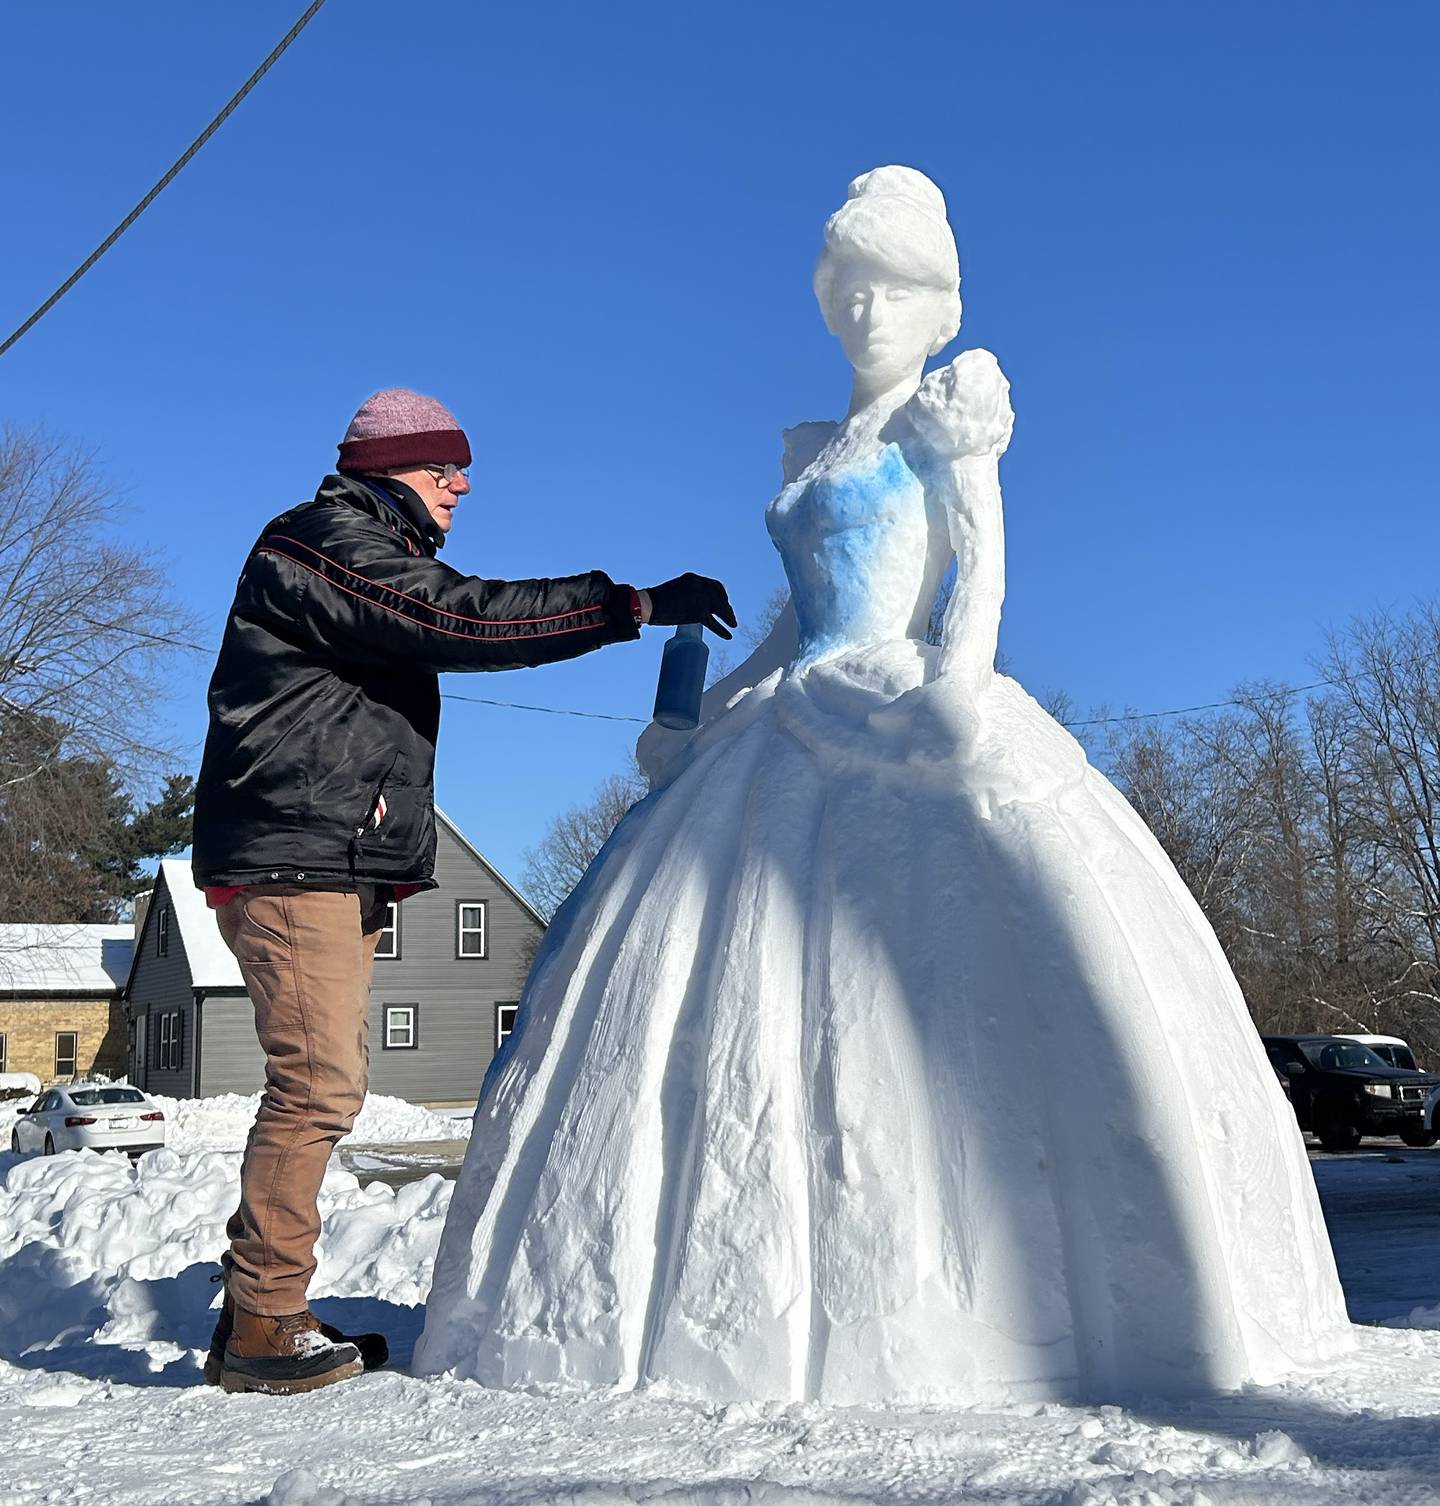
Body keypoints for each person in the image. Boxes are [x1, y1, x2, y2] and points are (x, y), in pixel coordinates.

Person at [415, 168, 1353, 1405]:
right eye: (851, 287)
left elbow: (981, 567)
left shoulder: (942, 420)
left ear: (937, 305)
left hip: (903, 702)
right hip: (792, 710)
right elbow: (795, 621)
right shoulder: (816, 449)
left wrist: (956, 693)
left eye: (895, 289)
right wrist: (696, 724)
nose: (869, 311)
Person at [191, 387, 734, 1395]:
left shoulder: (352, 549)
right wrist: (633, 605)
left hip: (322, 854)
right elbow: (453, 617)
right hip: (289, 855)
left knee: (323, 1080)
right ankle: (264, 1323)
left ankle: (265, 1310)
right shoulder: (319, 544)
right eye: (444, 469)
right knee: (316, 1085)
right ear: (386, 466)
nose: (462, 485)